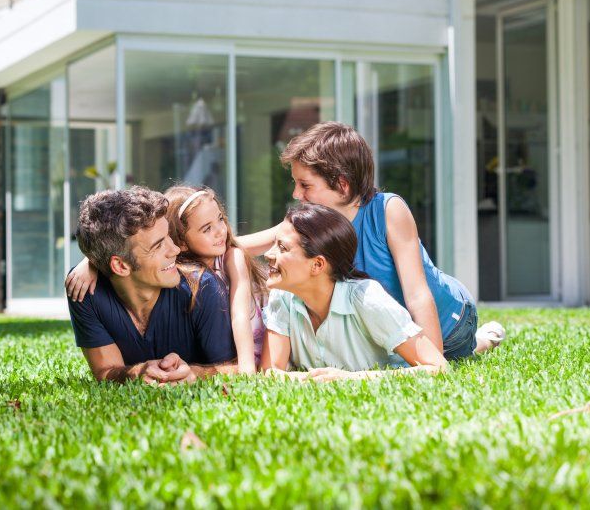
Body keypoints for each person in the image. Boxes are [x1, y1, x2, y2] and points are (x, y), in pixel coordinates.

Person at [241, 121, 505, 361]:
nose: (296, 193)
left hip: (450, 322)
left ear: (342, 185)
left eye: (305, 185)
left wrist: (432, 360)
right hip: (394, 328)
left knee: (454, 355)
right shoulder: (313, 222)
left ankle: (483, 339)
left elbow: (417, 294)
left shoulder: (388, 211)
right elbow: (251, 243)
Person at [69, 186, 237, 384]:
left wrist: (196, 373)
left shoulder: (202, 287)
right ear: (120, 265)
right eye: (158, 245)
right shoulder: (84, 290)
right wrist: (137, 373)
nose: (175, 249)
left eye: (169, 236)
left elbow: (238, 368)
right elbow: (105, 372)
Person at [261, 203, 448, 381]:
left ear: (317, 264)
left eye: (282, 248)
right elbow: (270, 372)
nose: (268, 254)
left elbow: (438, 367)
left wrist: (351, 378)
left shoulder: (367, 299)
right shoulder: (283, 295)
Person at [162, 186, 267, 373]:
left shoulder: (232, 258)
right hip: (218, 358)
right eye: (207, 228)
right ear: (182, 242)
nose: (220, 231)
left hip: (251, 353)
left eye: (219, 219)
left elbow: (240, 315)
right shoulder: (179, 274)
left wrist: (247, 370)